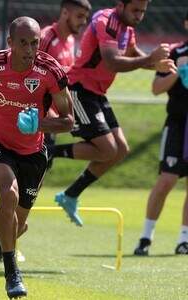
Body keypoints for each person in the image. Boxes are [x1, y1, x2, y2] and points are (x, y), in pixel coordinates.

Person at [0, 17, 74, 299]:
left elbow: (69, 121)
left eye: (34, 43)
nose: (30, 49)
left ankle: (1, 244)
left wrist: (40, 125)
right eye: (23, 43)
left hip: (33, 152)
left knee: (19, 224)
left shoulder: (50, 71)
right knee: (7, 194)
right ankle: (12, 274)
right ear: (10, 43)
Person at [49, 0, 177, 227]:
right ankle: (48, 151)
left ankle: (70, 195)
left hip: (96, 94)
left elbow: (132, 53)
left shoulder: (127, 27)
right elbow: (112, 62)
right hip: (79, 89)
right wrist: (150, 59)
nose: (139, 16)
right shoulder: (105, 21)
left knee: (120, 150)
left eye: (143, 12)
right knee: (107, 149)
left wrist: (155, 65)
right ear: (120, 5)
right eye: (135, 10)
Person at [134, 12, 188, 256]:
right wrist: (179, 72)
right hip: (177, 124)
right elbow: (156, 88)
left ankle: (184, 239)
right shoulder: (175, 53)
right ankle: (146, 237)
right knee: (167, 179)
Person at [40, 0, 91, 170]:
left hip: (55, 117)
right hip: (40, 116)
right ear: (64, 13)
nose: (84, 22)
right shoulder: (45, 38)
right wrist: (48, 111)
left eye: (85, 17)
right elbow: (29, 77)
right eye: (79, 16)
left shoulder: (70, 41)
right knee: (29, 174)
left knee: (40, 172)